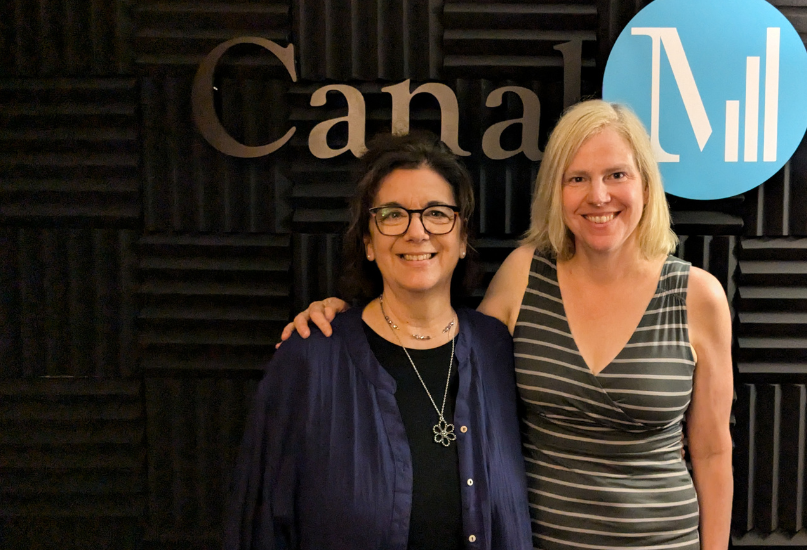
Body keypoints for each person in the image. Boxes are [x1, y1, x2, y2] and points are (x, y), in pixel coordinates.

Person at [280, 100, 734, 550]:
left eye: (617, 174)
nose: (598, 196)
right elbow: (446, 352)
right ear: (556, 192)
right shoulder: (524, 275)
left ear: (647, 186)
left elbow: (712, 453)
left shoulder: (698, 297)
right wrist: (345, 318)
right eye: (576, 178)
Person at [225, 132, 533, 550]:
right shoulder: (310, 358)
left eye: (437, 213)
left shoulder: (497, 349)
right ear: (368, 241)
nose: (416, 231)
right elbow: (258, 524)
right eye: (392, 215)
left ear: (462, 239)